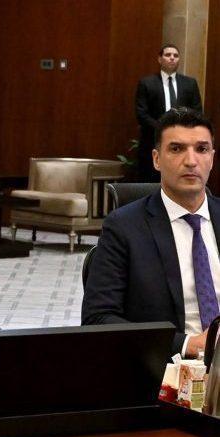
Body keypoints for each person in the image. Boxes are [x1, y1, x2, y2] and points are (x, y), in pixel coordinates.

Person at [82, 107, 218, 357]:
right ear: (156, 159)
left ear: (212, 157)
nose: (191, 161)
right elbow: (98, 319)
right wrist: (188, 344)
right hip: (168, 367)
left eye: (201, 149)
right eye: (176, 149)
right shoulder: (124, 228)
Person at [135, 44, 203, 183]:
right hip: (153, 141)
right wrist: (164, 129)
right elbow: (142, 114)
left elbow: (196, 111)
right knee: (151, 183)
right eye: (168, 55)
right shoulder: (147, 83)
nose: (172, 58)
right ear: (160, 59)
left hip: (184, 142)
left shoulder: (190, 83)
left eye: (175, 56)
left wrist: (182, 130)